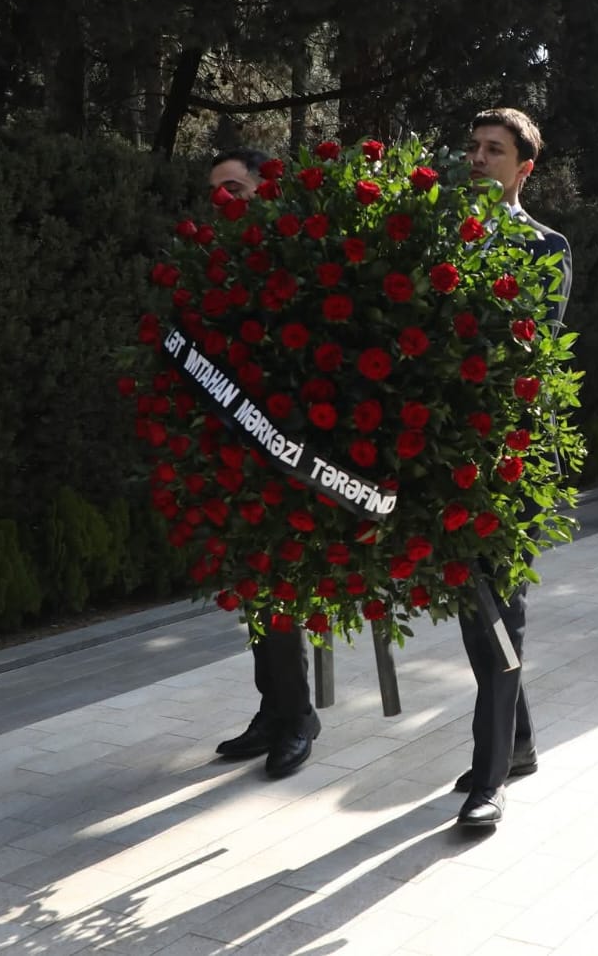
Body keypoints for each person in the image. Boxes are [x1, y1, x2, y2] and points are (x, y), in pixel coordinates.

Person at [451, 107, 571, 829]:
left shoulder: (546, 246)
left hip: (509, 456)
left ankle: (489, 778)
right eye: (473, 147)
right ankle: (517, 743)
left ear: (524, 168)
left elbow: (535, 341)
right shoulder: (439, 235)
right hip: (446, 453)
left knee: (499, 615)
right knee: (476, 610)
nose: (478, 158)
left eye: (494, 150)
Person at [209, 148, 323, 781]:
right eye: (214, 193)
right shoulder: (215, 268)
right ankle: (272, 710)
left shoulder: (290, 260)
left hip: (288, 450)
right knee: (256, 586)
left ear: (263, 191)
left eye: (234, 188)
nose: (223, 201)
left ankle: (298, 716)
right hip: (236, 453)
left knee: (280, 585)